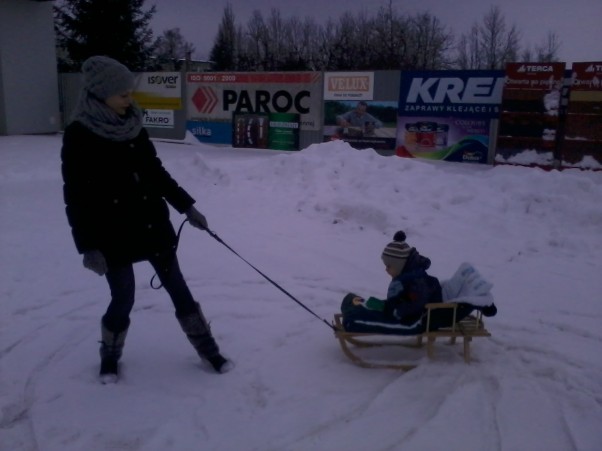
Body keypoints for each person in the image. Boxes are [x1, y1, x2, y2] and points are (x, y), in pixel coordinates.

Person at [61, 55, 232, 382]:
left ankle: (209, 350)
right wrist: (88, 246)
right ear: (101, 95)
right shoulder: (79, 135)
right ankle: (109, 355)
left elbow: (156, 173)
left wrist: (187, 207)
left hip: (152, 225)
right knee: (123, 297)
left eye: (130, 93)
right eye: (124, 94)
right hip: (111, 233)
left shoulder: (133, 126)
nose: (130, 99)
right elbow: (76, 197)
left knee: (178, 289)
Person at [341, 231, 497, 334]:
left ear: (400, 265)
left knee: (383, 318)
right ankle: (355, 306)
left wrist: (395, 310)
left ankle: (353, 320)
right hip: (415, 306)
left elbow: (416, 304)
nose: (386, 270)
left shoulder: (414, 281)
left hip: (419, 319)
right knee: (377, 306)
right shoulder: (410, 275)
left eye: (389, 266)